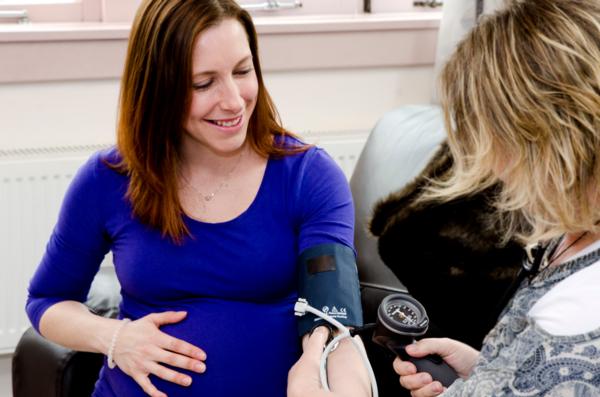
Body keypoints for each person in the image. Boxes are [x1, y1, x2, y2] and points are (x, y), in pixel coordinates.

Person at [25, 0, 363, 396]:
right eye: (204, 83)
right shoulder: (108, 179)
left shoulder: (308, 176)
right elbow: (47, 300)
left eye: (243, 71)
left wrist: (323, 370)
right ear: (158, 88)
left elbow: (334, 323)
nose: (234, 101)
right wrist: (115, 337)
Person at [289, 0, 600, 396]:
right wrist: (483, 370)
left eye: (489, 139)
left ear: (544, 137)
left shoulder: (578, 314)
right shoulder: (568, 238)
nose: (489, 166)